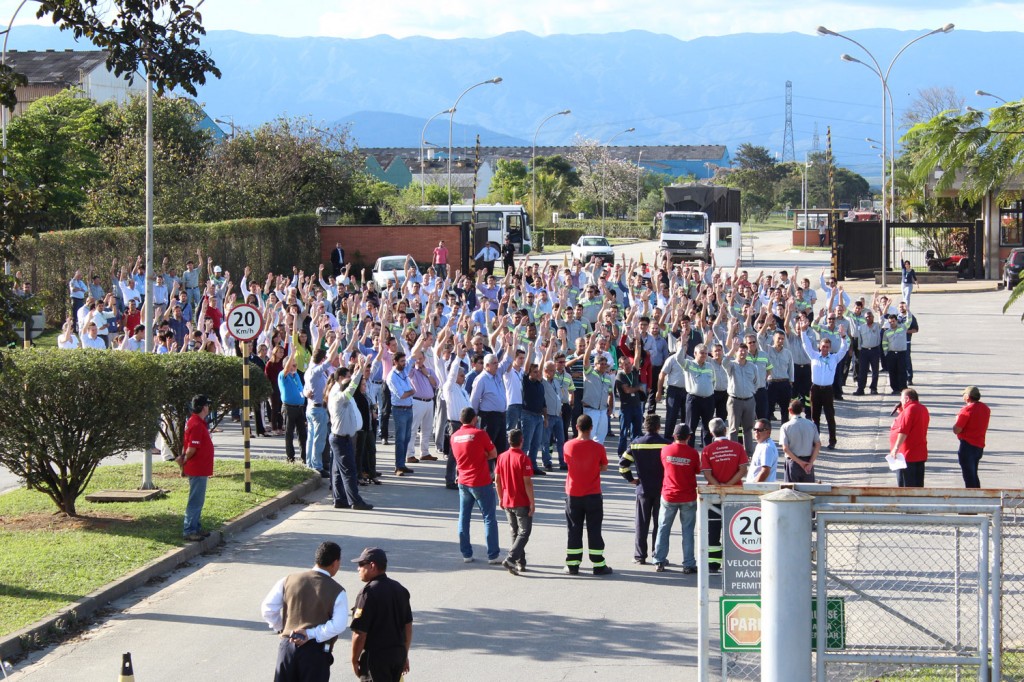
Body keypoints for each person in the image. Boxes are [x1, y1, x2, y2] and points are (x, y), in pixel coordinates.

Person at [260, 541, 348, 682]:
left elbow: (268, 609)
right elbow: (339, 625)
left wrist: (283, 629)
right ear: (335, 562)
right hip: (316, 652)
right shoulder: (337, 591)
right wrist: (310, 633)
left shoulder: (287, 580)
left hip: (287, 646)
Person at [349, 547, 413, 682]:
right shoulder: (400, 589)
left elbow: (360, 633)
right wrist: (404, 654)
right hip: (397, 655)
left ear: (372, 566)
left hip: (376, 659)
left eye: (361, 564)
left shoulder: (367, 594)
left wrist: (354, 660)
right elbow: (408, 626)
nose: (358, 569)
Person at [563, 413, 613, 576]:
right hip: (593, 494)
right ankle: (598, 564)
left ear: (576, 427)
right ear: (591, 428)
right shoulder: (598, 448)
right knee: (594, 529)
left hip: (573, 493)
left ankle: (573, 564)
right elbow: (604, 467)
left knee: (574, 529)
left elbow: (568, 462)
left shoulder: (568, 446)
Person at [449, 407, 501, 564]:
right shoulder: (480, 434)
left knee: (464, 518)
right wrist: (482, 454)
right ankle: (493, 555)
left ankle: (466, 553)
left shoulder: (454, 436)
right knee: (489, 518)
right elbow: (494, 453)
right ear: (474, 419)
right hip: (481, 481)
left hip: (463, 481)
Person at [619, 413, 670, 565]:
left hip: (643, 489)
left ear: (645, 426)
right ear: (658, 427)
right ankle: (657, 554)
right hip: (661, 489)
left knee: (641, 524)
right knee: (659, 524)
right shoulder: (666, 444)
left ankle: (640, 556)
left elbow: (622, 465)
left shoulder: (636, 444)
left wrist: (632, 479)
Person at [700, 417, 748, 573]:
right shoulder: (738, 447)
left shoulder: (707, 450)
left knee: (713, 530)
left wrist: (719, 486)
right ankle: (733, 563)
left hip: (714, 495)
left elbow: (707, 474)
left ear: (711, 433)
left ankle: (713, 564)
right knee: (734, 529)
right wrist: (729, 485)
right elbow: (743, 470)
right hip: (735, 494)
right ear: (726, 430)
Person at [652, 423, 702, 574]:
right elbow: (697, 470)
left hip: (669, 495)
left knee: (663, 528)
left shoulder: (665, 450)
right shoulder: (693, 453)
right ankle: (688, 563)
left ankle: (659, 560)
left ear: (674, 436)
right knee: (687, 531)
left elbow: (663, 465)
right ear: (689, 437)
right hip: (688, 496)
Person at [328, 362, 374, 511]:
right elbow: (352, 387)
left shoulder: (341, 397)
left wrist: (358, 371)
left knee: (337, 471)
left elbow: (351, 386)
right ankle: (355, 501)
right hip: (340, 439)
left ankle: (340, 499)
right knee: (350, 471)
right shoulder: (340, 398)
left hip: (340, 438)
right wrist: (360, 370)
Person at [799, 317, 848, 450]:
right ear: (819, 346)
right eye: (823, 346)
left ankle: (832, 441)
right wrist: (803, 331)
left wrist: (843, 336)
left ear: (830, 347)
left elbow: (844, 349)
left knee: (830, 416)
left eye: (827, 347)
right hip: (815, 389)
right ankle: (816, 441)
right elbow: (806, 345)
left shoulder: (834, 358)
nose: (825, 348)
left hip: (827, 390)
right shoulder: (814, 356)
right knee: (814, 417)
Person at [494, 428, 535, 575]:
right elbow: (527, 482)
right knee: (524, 532)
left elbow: (497, 480)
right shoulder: (524, 458)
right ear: (521, 441)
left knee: (515, 531)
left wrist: (500, 497)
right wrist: (532, 502)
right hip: (521, 500)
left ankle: (520, 562)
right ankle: (511, 558)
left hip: (507, 500)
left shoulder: (502, 457)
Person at [177, 394, 214, 541]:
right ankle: (189, 530)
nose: (208, 407)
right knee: (195, 500)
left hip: (200, 468)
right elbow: (192, 448)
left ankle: (196, 527)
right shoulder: (197, 424)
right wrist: (185, 459)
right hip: (197, 468)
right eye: (207, 405)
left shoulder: (197, 422)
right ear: (203, 407)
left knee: (198, 499)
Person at [889, 388, 930, 488]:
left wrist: (896, 448)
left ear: (907, 399)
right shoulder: (922, 408)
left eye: (901, 399)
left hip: (906, 455)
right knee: (917, 486)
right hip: (919, 453)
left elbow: (903, 430)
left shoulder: (909, 410)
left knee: (906, 487)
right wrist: (902, 413)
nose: (901, 402)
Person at [385, 352, 416, 476]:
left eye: (404, 361)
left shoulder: (403, 371)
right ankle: (398, 466)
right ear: (395, 362)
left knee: (407, 438)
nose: (404, 363)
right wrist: (412, 391)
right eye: (402, 361)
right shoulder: (392, 376)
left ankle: (402, 464)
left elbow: (413, 356)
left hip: (409, 409)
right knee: (400, 439)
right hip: (399, 410)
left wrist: (423, 338)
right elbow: (401, 395)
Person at [954, 385, 990, 489]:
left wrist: (957, 419)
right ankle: (978, 494)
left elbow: (957, 429)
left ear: (968, 397)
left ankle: (973, 498)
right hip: (979, 444)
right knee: (974, 473)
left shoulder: (967, 410)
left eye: (964, 395)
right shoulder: (985, 408)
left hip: (967, 445)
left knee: (969, 476)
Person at [779, 399, 820, 483]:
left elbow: (785, 448)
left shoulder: (785, 426)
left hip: (793, 463)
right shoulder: (811, 424)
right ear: (802, 410)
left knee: (791, 493)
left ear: (790, 410)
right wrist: (810, 463)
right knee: (809, 493)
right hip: (808, 462)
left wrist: (800, 462)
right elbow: (818, 444)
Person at [280, 348, 308, 464]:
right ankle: (290, 457)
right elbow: (286, 369)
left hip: (299, 408)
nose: (294, 367)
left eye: (295, 365)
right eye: (292, 365)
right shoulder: (283, 375)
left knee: (302, 434)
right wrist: (292, 354)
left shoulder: (296, 375)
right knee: (289, 433)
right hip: (289, 407)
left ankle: (304, 457)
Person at [746, 418, 779, 483]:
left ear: (768, 432)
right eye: (755, 429)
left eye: (760, 430)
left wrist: (754, 486)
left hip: (761, 489)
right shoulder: (761, 444)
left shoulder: (767, 447)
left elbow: (765, 471)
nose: (756, 432)